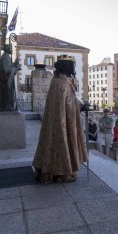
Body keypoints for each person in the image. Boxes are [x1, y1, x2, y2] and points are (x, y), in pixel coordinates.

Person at [33, 54, 87, 184]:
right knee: (62, 143)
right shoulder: (64, 83)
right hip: (63, 122)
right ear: (68, 67)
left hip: (53, 121)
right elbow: (69, 104)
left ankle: (47, 170)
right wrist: (82, 106)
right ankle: (62, 173)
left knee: (51, 143)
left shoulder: (55, 80)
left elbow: (66, 101)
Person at [0, 44, 21, 111]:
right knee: (8, 98)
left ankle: (8, 106)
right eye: (10, 48)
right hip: (5, 83)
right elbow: (6, 70)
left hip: (4, 83)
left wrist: (15, 64)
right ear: (8, 49)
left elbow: (8, 67)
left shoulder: (5, 56)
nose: (11, 49)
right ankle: (8, 107)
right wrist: (15, 68)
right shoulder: (6, 57)